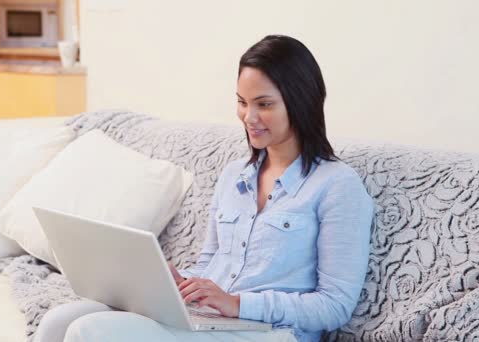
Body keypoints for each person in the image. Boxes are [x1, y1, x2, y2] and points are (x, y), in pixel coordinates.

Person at [34, 34, 374, 342]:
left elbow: (333, 306)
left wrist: (237, 304)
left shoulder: (336, 187)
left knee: (88, 330)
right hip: (209, 320)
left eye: (264, 104)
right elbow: (211, 263)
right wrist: (174, 283)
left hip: (271, 333)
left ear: (301, 103)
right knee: (57, 321)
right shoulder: (234, 176)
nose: (248, 116)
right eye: (242, 101)